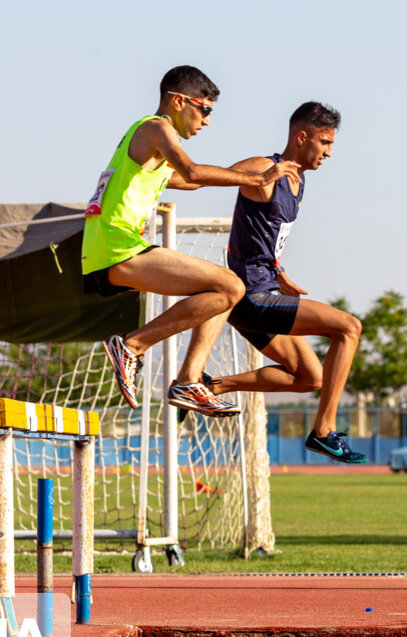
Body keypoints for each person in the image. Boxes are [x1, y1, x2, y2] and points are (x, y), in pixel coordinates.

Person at [84, 65, 300, 417]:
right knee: (230, 285)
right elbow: (193, 171)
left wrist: (249, 175)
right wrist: (264, 175)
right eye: (206, 110)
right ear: (179, 100)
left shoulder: (151, 146)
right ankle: (133, 346)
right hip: (116, 245)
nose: (207, 121)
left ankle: (188, 381)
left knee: (225, 290)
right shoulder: (156, 128)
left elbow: (191, 183)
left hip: (110, 248)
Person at [199, 102, 367, 462]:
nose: (329, 152)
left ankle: (212, 385)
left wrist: (279, 272)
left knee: (311, 378)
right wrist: (172, 174)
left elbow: (265, 236)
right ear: (301, 137)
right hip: (252, 297)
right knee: (349, 328)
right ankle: (323, 431)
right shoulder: (265, 168)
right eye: (324, 142)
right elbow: (206, 175)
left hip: (265, 290)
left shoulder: (298, 181)